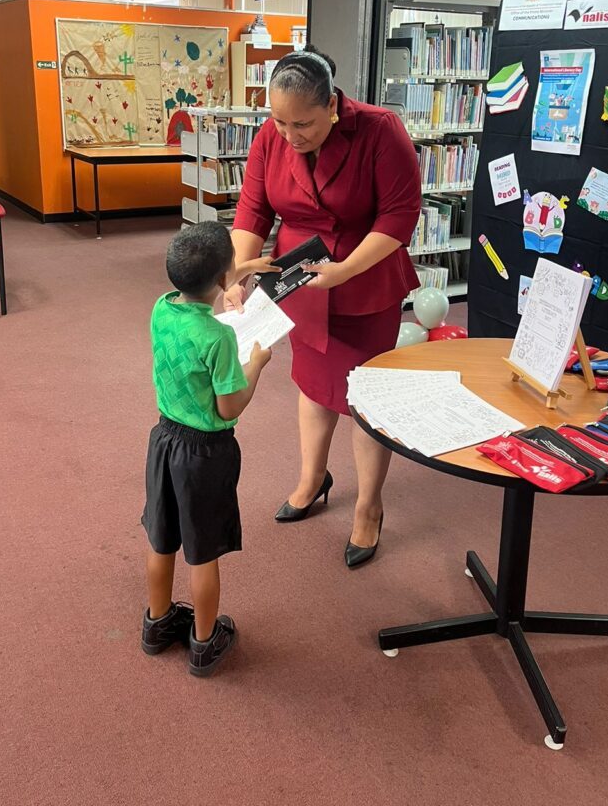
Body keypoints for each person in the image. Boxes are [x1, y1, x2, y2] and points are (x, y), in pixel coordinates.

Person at [226, 46, 421, 568]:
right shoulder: (273, 135)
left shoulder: (381, 130)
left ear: (333, 104)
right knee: (312, 383)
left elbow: (400, 216)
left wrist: (345, 270)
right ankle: (313, 479)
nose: (289, 135)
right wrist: (240, 272)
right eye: (278, 120)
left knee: (364, 398)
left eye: (303, 124)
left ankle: (369, 507)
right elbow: (254, 206)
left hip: (364, 279)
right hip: (300, 278)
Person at [140, 222, 271, 676]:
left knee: (162, 537)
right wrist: (255, 365)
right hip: (205, 453)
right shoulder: (219, 338)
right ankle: (204, 639)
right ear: (221, 280)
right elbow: (230, 404)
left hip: (164, 440)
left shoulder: (161, 308)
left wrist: (246, 266)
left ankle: (156, 624)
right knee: (202, 549)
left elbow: (206, 284)